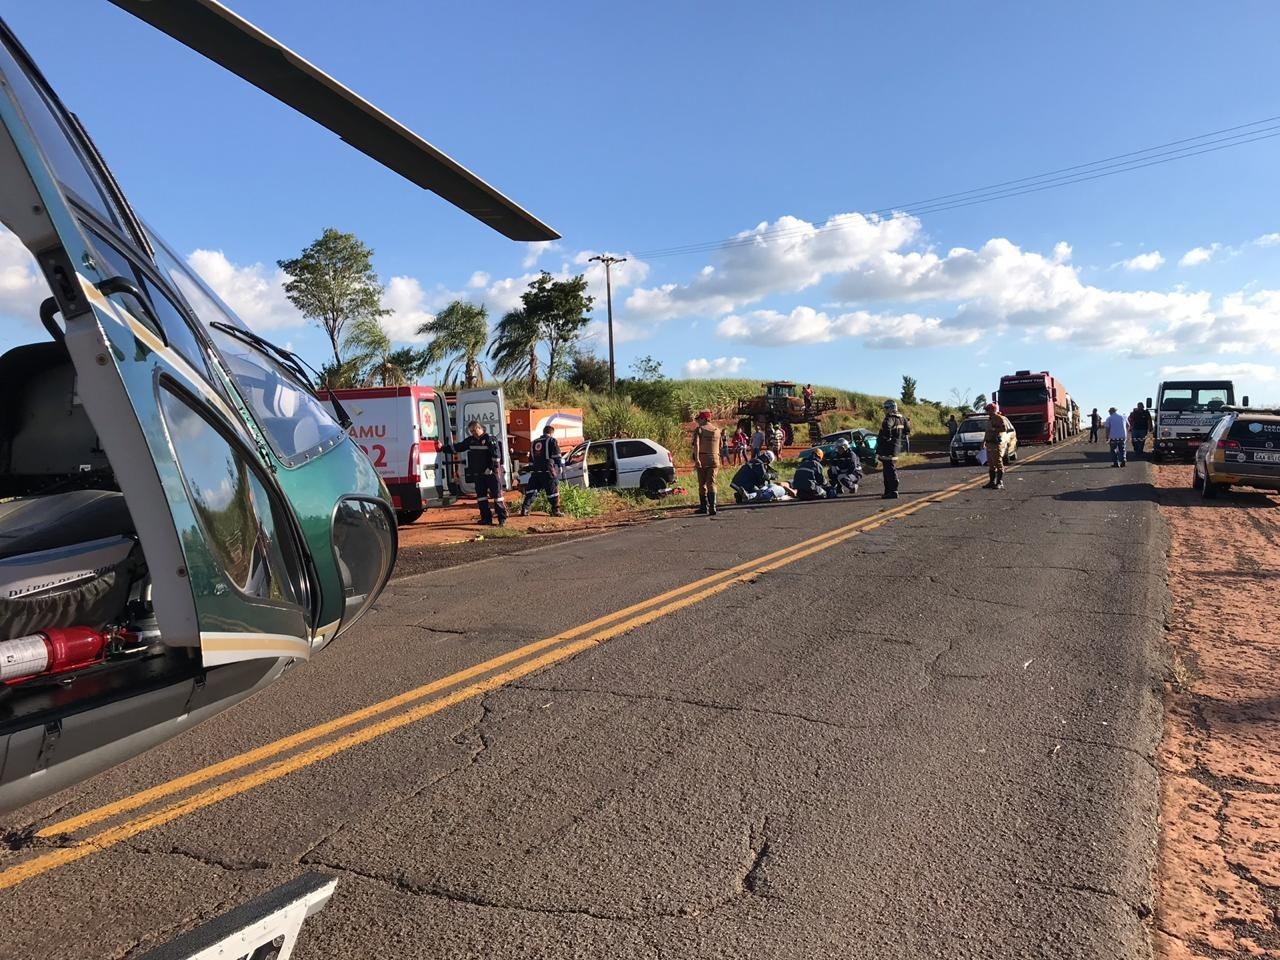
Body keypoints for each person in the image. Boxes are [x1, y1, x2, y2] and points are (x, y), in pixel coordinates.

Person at [446, 419, 508, 525]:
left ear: (480, 428)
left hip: (491, 474)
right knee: (481, 497)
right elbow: (458, 447)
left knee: (497, 497)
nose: (473, 433)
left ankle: (502, 519)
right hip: (478, 474)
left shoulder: (490, 439)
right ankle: (486, 519)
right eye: (471, 431)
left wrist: (491, 469)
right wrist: (442, 448)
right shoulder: (471, 440)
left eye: (474, 430)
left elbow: (496, 456)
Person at [520, 425, 562, 517]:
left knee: (532, 491)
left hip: (536, 471)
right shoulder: (552, 441)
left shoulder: (534, 442)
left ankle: (525, 509)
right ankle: (556, 510)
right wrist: (560, 466)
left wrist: (532, 469)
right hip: (548, 470)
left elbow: (531, 458)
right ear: (551, 433)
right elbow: (557, 455)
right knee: (553, 491)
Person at [877, 399, 911, 499]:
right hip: (896, 447)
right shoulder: (902, 418)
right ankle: (888, 491)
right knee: (888, 469)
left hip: (887, 448)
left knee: (889, 470)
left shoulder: (889, 418)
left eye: (886, 408)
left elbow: (887, 427)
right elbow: (907, 431)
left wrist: (887, 438)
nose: (885, 410)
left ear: (891, 408)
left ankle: (893, 490)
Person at [691, 409, 721, 517]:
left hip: (703, 459)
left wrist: (697, 459)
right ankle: (713, 506)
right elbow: (720, 446)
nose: (697, 421)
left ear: (704, 419)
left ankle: (704, 507)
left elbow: (696, 445)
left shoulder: (699, 430)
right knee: (712, 483)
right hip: (715, 459)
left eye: (699, 419)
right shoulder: (717, 430)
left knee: (702, 484)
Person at [981, 402, 1014, 490]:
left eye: (988, 410)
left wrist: (994, 429)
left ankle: (999, 482)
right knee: (991, 464)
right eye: (986, 410)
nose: (987, 411)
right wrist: (983, 441)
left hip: (995, 444)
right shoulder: (989, 419)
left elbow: (1004, 429)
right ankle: (992, 482)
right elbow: (987, 431)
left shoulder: (999, 418)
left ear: (993, 410)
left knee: (998, 463)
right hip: (989, 444)